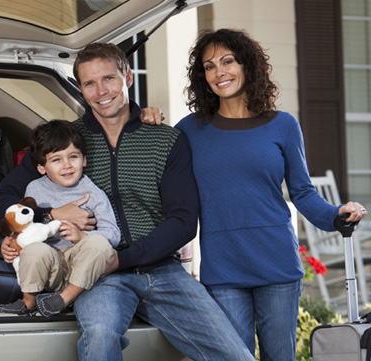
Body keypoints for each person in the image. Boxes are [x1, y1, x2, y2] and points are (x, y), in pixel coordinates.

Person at [0, 42, 255, 361]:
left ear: (127, 77)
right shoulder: (64, 143)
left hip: (163, 272)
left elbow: (183, 221)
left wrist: (123, 259)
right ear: (80, 89)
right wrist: (49, 214)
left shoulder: (166, 140)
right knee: (99, 339)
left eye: (109, 79)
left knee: (234, 356)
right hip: (95, 275)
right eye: (89, 83)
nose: (101, 91)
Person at [142, 28, 368, 361]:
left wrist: (337, 215)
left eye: (227, 61)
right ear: (202, 77)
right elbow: (157, 179)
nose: (219, 72)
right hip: (223, 268)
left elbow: (303, 193)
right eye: (209, 66)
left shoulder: (283, 125)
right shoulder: (189, 130)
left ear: (247, 65)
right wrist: (144, 121)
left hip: (277, 264)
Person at [0, 120, 120, 316]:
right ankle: (28, 301)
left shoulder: (93, 193)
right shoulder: (34, 189)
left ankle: (64, 298)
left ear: (84, 160)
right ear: (42, 167)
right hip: (49, 265)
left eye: (73, 157)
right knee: (34, 249)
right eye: (56, 160)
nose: (67, 165)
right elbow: (25, 225)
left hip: (81, 266)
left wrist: (82, 237)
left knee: (100, 244)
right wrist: (11, 241)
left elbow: (113, 234)